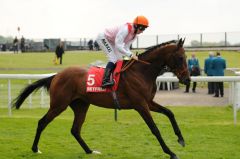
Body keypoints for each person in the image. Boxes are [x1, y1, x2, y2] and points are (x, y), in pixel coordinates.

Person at [96, 15, 149, 88]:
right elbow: (118, 46)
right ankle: (105, 81)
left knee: (119, 59)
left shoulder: (134, 35)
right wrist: (131, 55)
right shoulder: (126, 29)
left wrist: (131, 56)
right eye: (142, 28)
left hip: (113, 41)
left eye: (144, 29)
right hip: (103, 38)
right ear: (136, 26)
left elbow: (126, 48)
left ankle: (114, 78)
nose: (142, 31)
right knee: (113, 58)